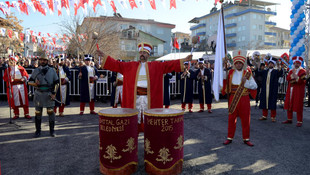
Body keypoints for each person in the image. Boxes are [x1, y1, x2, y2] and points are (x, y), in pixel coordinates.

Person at [97, 42, 192, 132]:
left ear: (148, 54)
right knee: (134, 120)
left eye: (145, 52)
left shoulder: (156, 65)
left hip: (149, 98)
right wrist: (105, 56)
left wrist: (184, 60)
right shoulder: (130, 65)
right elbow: (116, 64)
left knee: (150, 121)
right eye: (141, 52)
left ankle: (151, 143)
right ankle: (132, 143)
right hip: (134, 98)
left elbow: (169, 64)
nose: (142, 54)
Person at [222, 50, 257, 146]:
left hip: (244, 98)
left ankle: (246, 139)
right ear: (234, 64)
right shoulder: (230, 72)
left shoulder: (247, 73)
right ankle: (229, 138)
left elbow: (255, 86)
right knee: (231, 118)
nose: (238, 65)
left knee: (246, 119)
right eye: (236, 63)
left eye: (240, 63)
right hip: (233, 97)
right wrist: (223, 65)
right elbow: (223, 78)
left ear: (242, 64)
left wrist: (245, 82)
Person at [28, 55, 59, 137]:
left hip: (49, 94)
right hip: (39, 93)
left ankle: (52, 131)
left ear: (47, 61)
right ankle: (38, 131)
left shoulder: (52, 70)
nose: (42, 61)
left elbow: (57, 82)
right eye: (41, 60)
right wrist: (35, 83)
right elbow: (29, 81)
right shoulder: (36, 70)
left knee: (51, 112)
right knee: (38, 113)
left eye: (44, 60)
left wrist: (54, 93)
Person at [3, 55, 31, 119]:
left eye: (13, 60)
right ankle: (16, 114)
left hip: (21, 86)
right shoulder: (8, 70)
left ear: (16, 61)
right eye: (10, 61)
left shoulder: (21, 68)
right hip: (13, 86)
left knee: (24, 99)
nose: (12, 62)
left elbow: (26, 75)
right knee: (15, 100)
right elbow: (5, 78)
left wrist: (24, 78)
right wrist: (10, 78)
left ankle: (26, 113)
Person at [282, 56, 307, 127]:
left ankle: (299, 121)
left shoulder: (303, 71)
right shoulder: (291, 70)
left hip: (298, 90)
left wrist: (295, 76)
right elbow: (288, 78)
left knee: (298, 105)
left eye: (298, 63)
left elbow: (302, 81)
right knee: (289, 103)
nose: (296, 64)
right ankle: (289, 119)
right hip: (291, 89)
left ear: (300, 64)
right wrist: (294, 77)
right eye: (296, 63)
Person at [258, 57, 283, 122]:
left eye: (272, 64)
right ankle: (264, 115)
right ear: (268, 64)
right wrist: (258, 66)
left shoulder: (276, 71)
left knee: (272, 102)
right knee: (264, 102)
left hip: (272, 90)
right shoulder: (265, 71)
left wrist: (279, 66)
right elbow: (258, 73)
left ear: (273, 65)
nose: (270, 65)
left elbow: (281, 73)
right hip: (265, 89)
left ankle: (273, 117)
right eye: (269, 63)